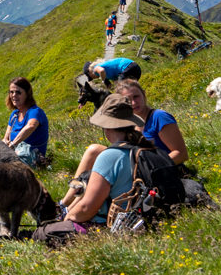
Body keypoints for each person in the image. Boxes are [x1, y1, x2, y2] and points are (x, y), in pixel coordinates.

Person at [34, 94, 150, 248]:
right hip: (139, 219)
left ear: (107, 127)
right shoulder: (141, 149)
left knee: (42, 233)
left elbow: (87, 208)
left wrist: (68, 218)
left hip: (106, 228)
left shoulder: (109, 156)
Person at [58, 78, 188, 206]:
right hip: (136, 163)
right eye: (127, 100)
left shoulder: (158, 117)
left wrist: (148, 170)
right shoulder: (130, 123)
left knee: (96, 178)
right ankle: (65, 202)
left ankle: (74, 208)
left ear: (144, 95)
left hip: (157, 170)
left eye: (136, 96)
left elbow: (181, 153)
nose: (133, 102)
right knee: (93, 150)